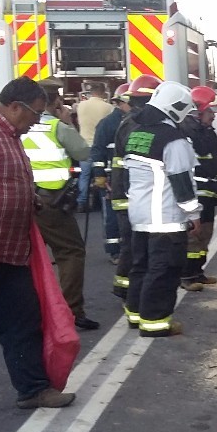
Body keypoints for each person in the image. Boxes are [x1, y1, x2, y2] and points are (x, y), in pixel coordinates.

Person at [0, 77, 77, 411]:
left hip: (11, 251)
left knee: (22, 322)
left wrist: (29, 199)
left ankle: (33, 389)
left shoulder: (12, 134)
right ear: (16, 106)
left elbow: (2, 181)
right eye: (36, 113)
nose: (37, 121)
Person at [123, 81, 201, 337]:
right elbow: (181, 181)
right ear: (176, 107)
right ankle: (155, 322)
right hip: (164, 218)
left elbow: (127, 176)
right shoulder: (173, 139)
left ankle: (135, 315)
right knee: (164, 270)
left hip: (140, 215)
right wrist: (193, 214)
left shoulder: (137, 133)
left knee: (141, 267)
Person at [22, 88, 100, 331]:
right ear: (54, 102)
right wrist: (67, 123)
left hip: (22, 198)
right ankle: (70, 311)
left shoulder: (17, 124)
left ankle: (29, 312)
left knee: (26, 256)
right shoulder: (57, 126)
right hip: (50, 200)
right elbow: (83, 152)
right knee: (71, 252)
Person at [109, 74, 162, 301]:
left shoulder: (127, 122)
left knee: (132, 245)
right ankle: (127, 290)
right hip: (133, 194)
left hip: (126, 192)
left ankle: (127, 288)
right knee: (133, 246)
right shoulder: (138, 125)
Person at [179, 86, 217, 291]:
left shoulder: (207, 131)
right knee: (193, 236)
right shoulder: (187, 132)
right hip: (196, 192)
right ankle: (187, 276)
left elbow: (216, 164)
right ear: (198, 112)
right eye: (210, 111)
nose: (213, 115)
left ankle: (198, 272)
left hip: (208, 191)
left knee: (205, 234)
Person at [90, 83, 129, 265]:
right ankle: (115, 251)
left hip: (128, 178)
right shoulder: (108, 124)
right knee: (113, 217)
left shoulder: (133, 121)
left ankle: (128, 248)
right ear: (121, 103)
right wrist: (100, 176)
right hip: (111, 179)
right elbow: (97, 151)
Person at [75, 83, 113, 211]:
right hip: (101, 147)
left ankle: (81, 202)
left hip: (84, 146)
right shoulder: (108, 107)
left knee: (84, 175)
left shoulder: (81, 105)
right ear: (103, 92)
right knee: (102, 173)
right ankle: (103, 200)